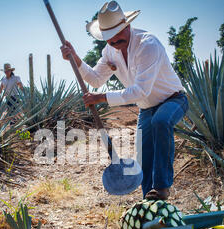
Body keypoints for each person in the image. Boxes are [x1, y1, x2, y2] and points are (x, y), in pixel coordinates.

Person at [60, 1, 189, 200]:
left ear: (127, 26)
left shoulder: (148, 45)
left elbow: (140, 91)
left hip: (173, 100)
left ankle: (162, 187)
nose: (114, 43)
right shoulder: (110, 51)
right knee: (143, 156)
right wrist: (75, 59)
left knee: (161, 122)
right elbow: (95, 79)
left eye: (118, 38)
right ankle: (150, 201)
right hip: (146, 108)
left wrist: (101, 98)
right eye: (109, 40)